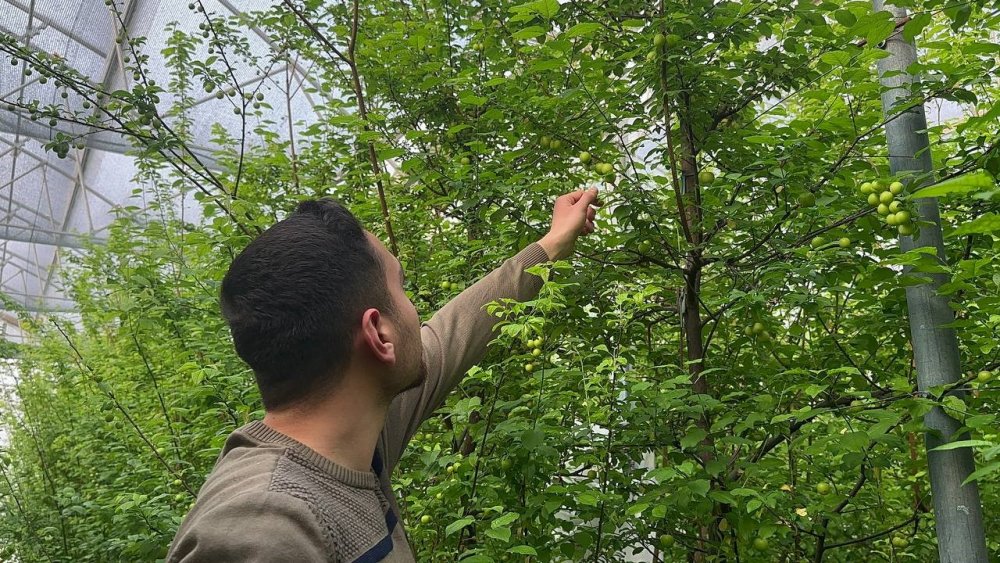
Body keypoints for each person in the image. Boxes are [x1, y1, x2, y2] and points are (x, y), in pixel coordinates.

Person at [166, 188, 601, 562]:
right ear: (378, 333)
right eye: (402, 288)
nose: (417, 313)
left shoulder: (361, 438)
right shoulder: (266, 525)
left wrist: (551, 245)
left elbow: (454, 333)